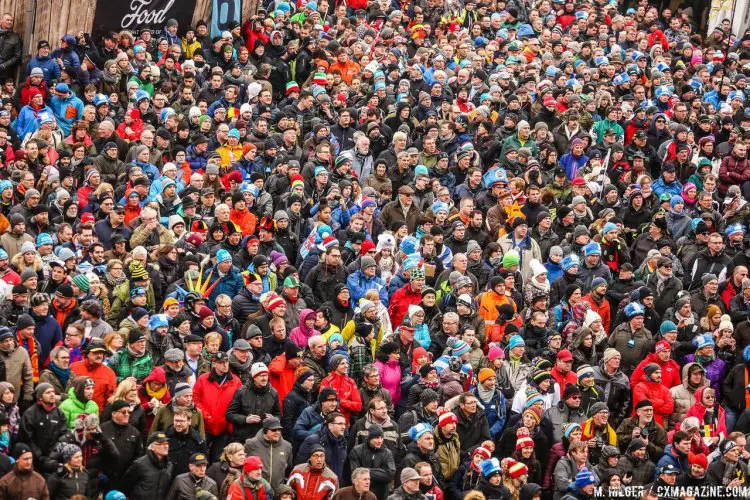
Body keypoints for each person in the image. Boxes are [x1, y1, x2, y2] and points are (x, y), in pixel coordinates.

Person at [243, 416, 293, 492]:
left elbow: (288, 468)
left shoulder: (287, 446)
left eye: (279, 430)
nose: (277, 432)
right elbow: (242, 465)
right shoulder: (251, 444)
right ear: (265, 431)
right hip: (255, 491)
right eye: (273, 430)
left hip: (277, 492)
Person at [122, 431, 173, 499]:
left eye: (167, 443)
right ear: (152, 447)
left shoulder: (169, 465)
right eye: (161, 444)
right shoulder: (139, 464)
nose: (166, 446)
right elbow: (126, 486)